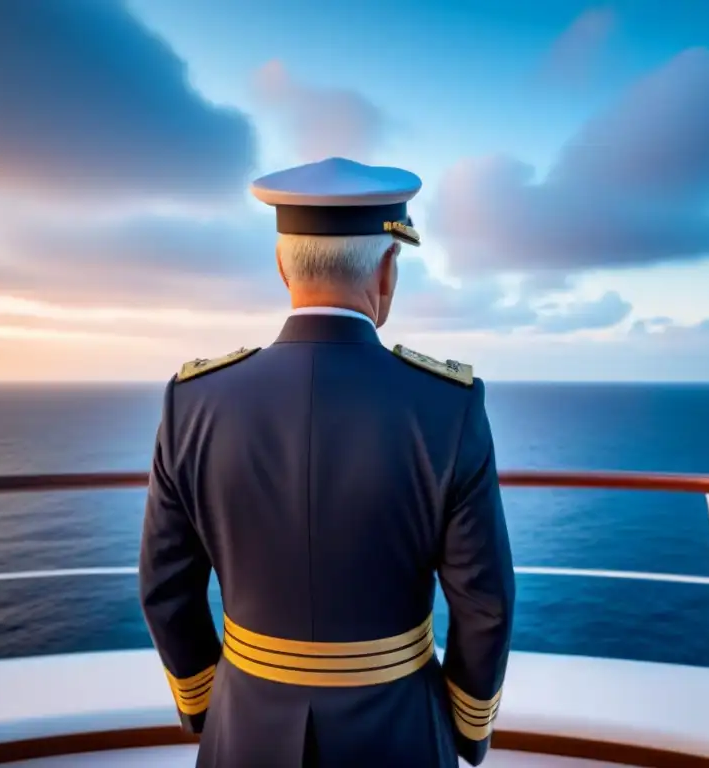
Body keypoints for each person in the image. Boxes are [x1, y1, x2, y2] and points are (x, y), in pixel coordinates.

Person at [138, 157, 516, 767]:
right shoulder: (450, 407)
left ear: (283, 264)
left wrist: (212, 706)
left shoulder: (194, 401)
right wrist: (466, 728)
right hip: (403, 733)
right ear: (389, 268)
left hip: (243, 729)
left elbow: (165, 589)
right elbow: (485, 603)